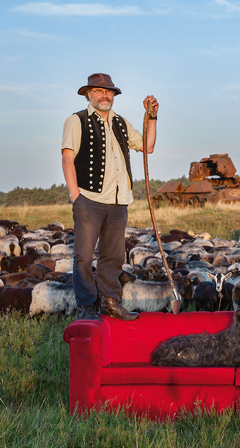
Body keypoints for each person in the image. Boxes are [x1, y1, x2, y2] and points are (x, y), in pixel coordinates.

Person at [62, 73, 159, 321]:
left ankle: (110, 302)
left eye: (108, 92)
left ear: (113, 95)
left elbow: (147, 146)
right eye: (98, 91)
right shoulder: (77, 120)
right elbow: (67, 157)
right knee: (83, 255)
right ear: (88, 94)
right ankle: (85, 307)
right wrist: (76, 196)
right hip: (89, 199)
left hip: (119, 201)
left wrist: (152, 117)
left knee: (114, 256)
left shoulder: (121, 123)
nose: (104, 95)